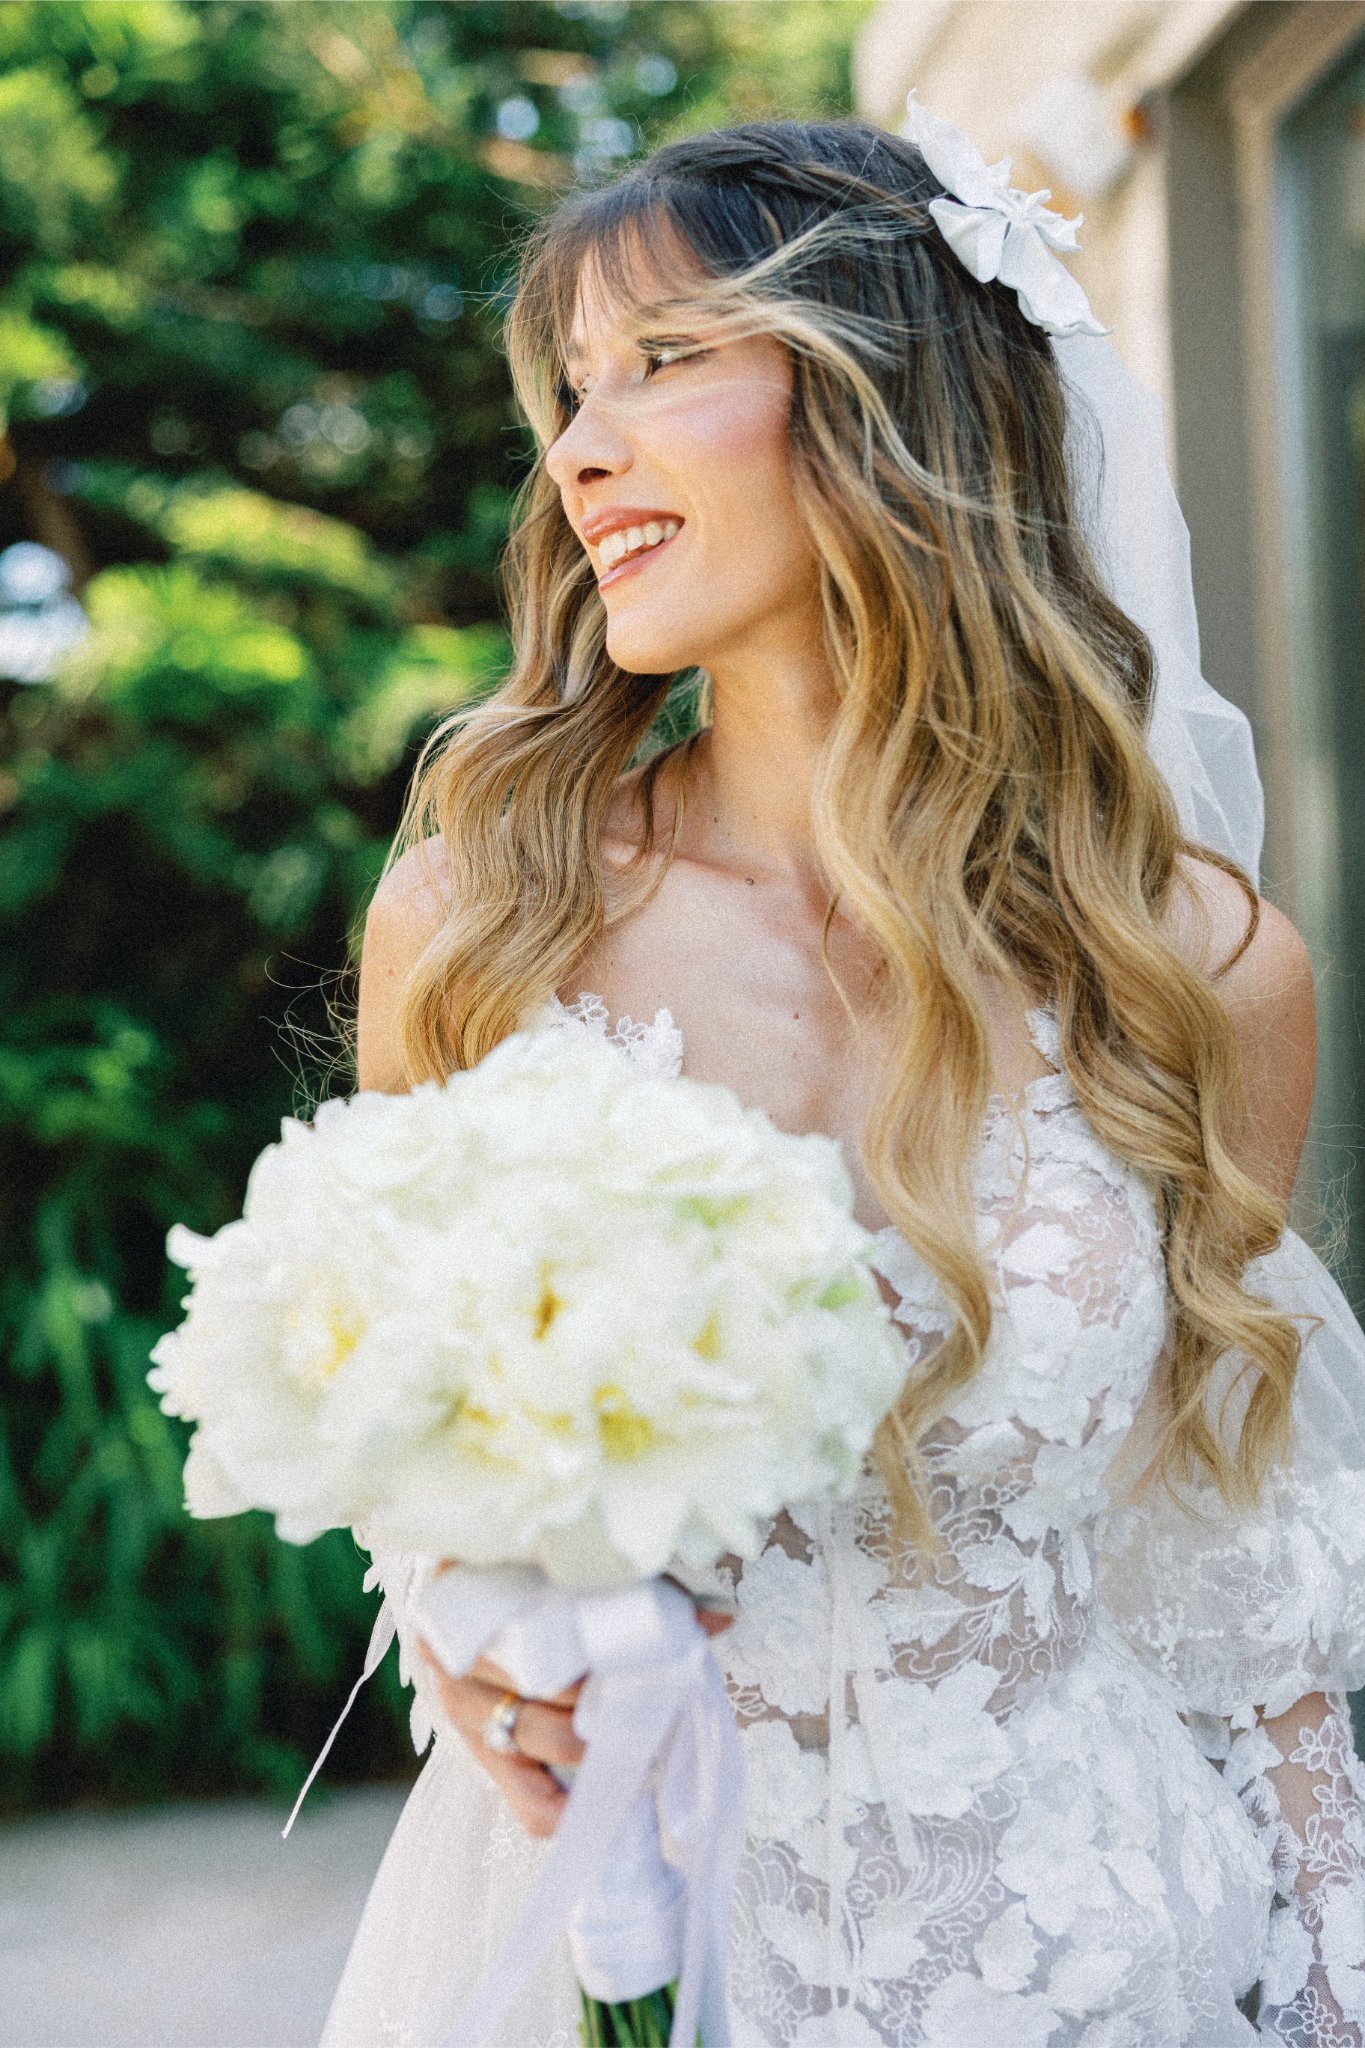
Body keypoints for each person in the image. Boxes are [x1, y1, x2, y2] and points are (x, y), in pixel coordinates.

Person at [318, 110, 1365, 2047]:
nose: (577, 450)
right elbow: (405, 1445)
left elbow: (1236, 1589)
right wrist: (459, 1618)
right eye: (569, 390)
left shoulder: (1196, 968)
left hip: (1090, 1965)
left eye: (659, 361)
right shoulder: (484, 925)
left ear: (891, 396)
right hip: (620, 1930)